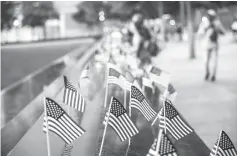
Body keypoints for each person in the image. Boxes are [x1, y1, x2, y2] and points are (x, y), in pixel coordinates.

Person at [197, 9, 225, 82]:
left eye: (212, 16)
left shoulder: (217, 23)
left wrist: (216, 28)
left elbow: (223, 32)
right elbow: (199, 33)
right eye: (209, 16)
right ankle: (207, 72)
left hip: (214, 45)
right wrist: (206, 28)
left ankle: (213, 75)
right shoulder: (204, 23)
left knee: (214, 62)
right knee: (206, 61)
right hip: (206, 45)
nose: (211, 17)